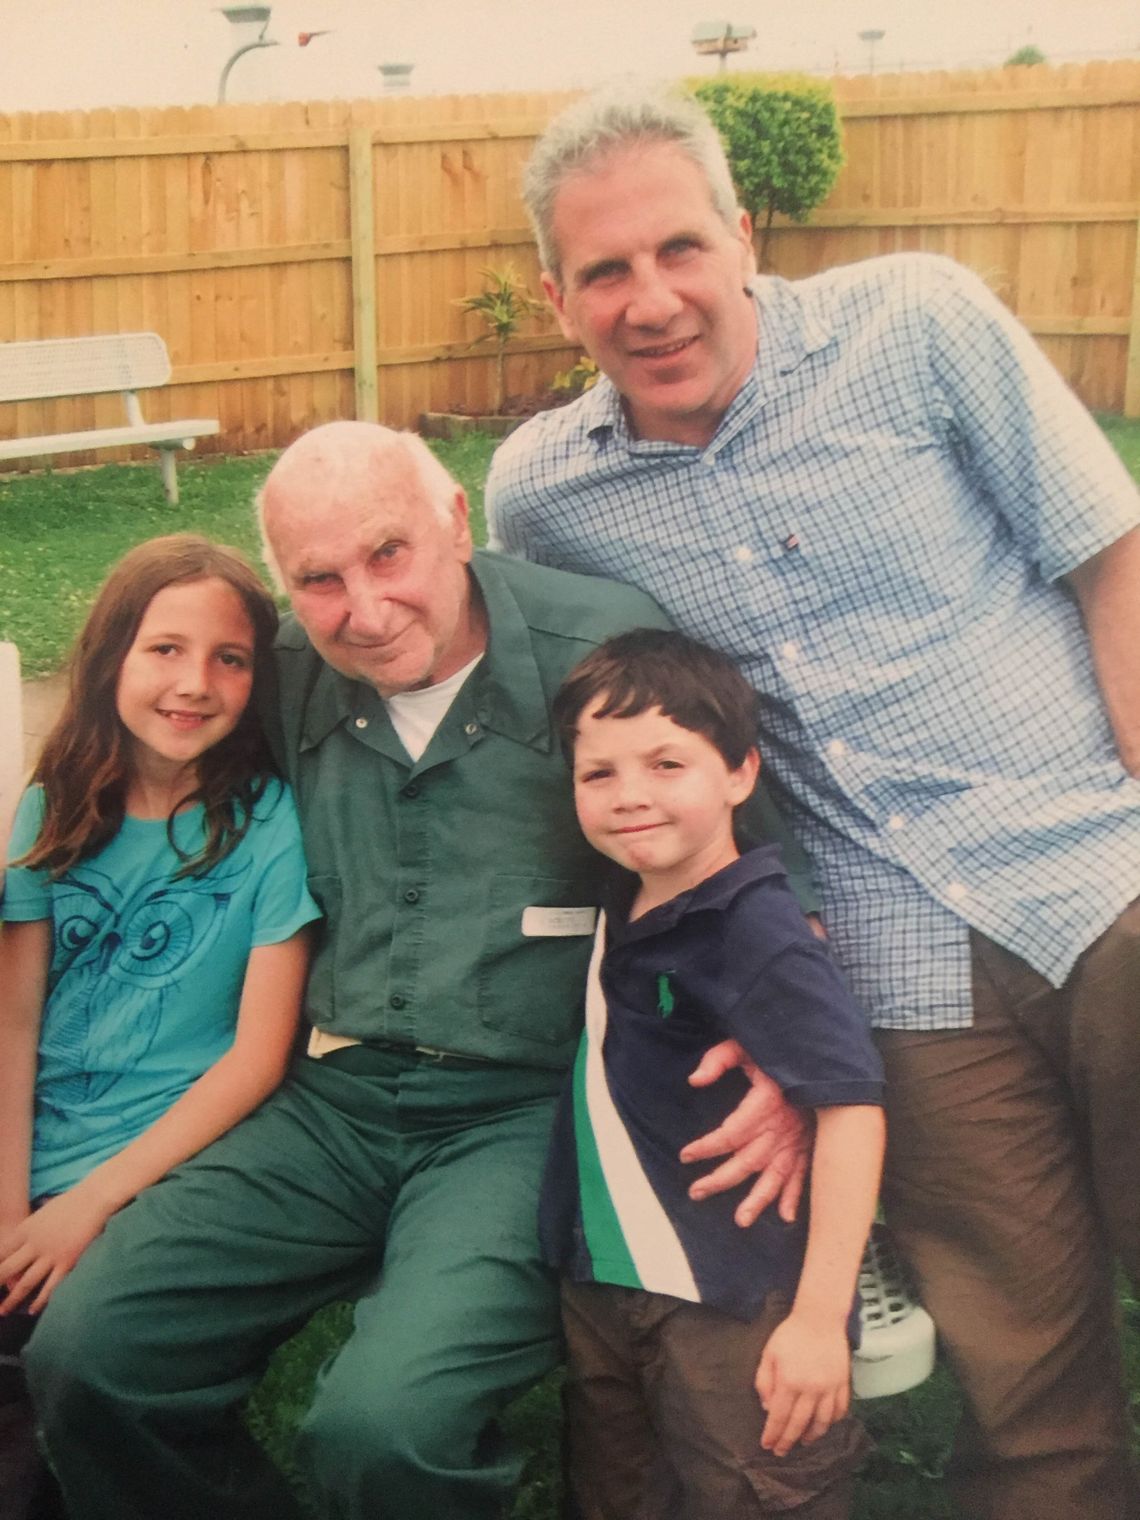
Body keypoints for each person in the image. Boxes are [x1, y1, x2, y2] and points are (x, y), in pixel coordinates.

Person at [486, 83, 1140, 1520]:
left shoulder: (918, 323)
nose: (649, 300)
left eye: (677, 249)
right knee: (1027, 1371)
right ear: (556, 296)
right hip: (899, 969)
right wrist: (776, 1015)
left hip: (1101, 870)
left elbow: (1113, 556)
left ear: (740, 234)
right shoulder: (546, 497)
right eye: (604, 271)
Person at [21, 423, 815, 1520]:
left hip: (520, 1112)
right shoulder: (281, 670)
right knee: (92, 1349)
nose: (363, 606)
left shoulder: (601, 646)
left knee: (383, 1427)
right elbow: (140, 748)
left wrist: (786, 1065)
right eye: (318, 580)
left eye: (388, 552)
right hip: (324, 1101)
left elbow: (754, 867)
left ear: (455, 516)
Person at [0, 535, 319, 1519]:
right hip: (38, 1154)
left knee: (70, 1361)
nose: (195, 682)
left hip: (165, 1167)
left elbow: (257, 1057)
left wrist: (84, 1205)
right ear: (111, 660)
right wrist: (11, 1209)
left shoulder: (266, 821)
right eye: (165, 649)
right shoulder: (50, 812)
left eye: (229, 657)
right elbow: (13, 1024)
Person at [542, 628, 884, 1520]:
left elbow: (853, 1109)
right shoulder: (630, 893)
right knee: (620, 1492)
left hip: (735, 1298)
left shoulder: (754, 930)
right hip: (609, 1282)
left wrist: (817, 1319)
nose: (630, 797)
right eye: (599, 774)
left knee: (753, 1492)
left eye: (666, 764)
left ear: (739, 774)